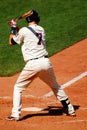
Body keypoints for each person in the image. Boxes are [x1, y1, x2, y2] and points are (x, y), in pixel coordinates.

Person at [7, 10, 76, 121]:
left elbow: (11, 42)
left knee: (18, 87)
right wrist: (17, 27)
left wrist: (13, 27)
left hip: (32, 65)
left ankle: (15, 114)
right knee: (55, 86)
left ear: (28, 19)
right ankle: (70, 109)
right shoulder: (41, 29)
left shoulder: (25, 30)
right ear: (36, 19)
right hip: (45, 63)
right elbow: (26, 34)